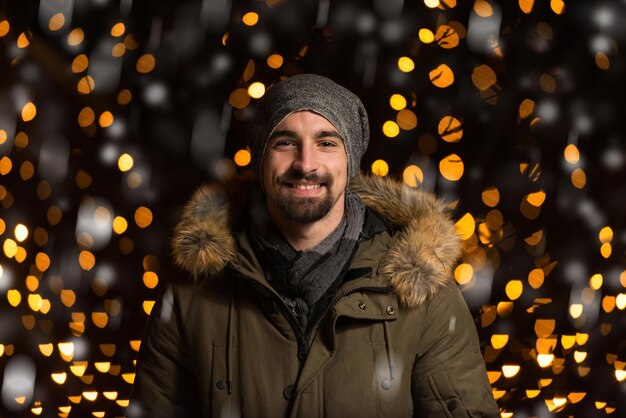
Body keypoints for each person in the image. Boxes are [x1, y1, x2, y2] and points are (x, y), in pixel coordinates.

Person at [130, 74, 499, 417]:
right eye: (286, 142)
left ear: (350, 161)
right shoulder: (193, 289)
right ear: (260, 160)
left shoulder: (421, 288)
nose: (306, 164)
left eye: (326, 143)